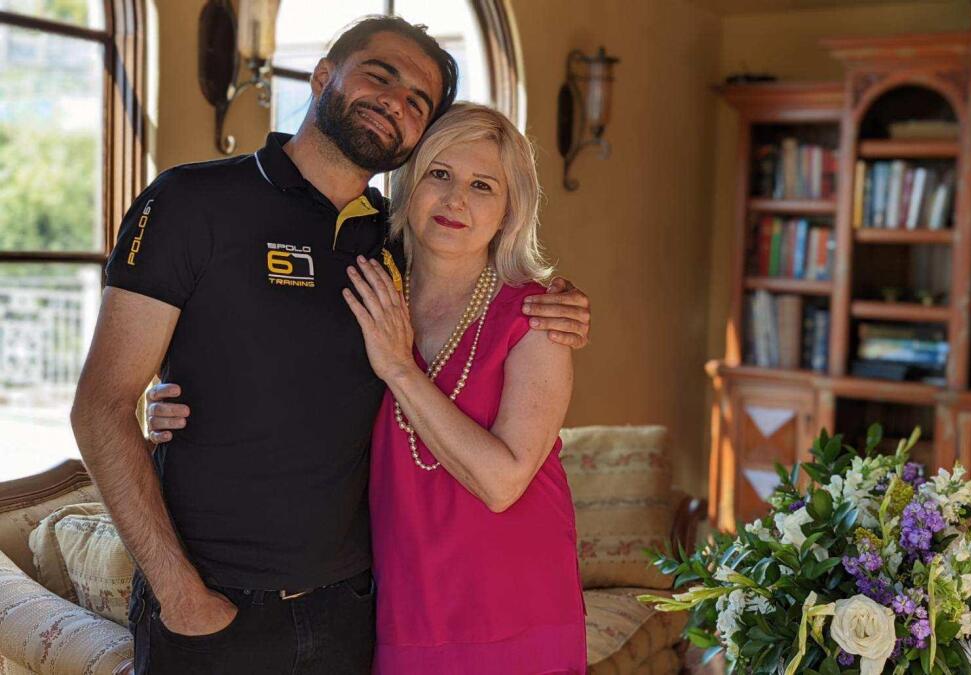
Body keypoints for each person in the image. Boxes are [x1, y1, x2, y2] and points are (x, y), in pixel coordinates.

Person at [71, 16, 590, 675]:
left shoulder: (393, 246)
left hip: (352, 618)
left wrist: (565, 304)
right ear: (322, 76)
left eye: (418, 102)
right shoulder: (193, 201)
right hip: (212, 606)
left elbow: (481, 286)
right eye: (380, 75)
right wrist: (181, 596)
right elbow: (100, 406)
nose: (395, 102)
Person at [345, 102, 584, 673]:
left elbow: (503, 482)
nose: (456, 200)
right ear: (408, 185)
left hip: (517, 608)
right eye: (440, 174)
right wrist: (175, 407)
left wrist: (400, 368)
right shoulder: (369, 293)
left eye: (482, 185)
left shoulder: (538, 317)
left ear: (508, 211)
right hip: (405, 606)